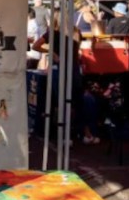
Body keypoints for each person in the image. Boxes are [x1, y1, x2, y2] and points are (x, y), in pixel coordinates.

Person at [32, 9, 99, 144]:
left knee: (62, 103)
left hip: (59, 70)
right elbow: (89, 45)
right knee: (77, 102)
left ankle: (65, 136)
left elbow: (35, 46)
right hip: (74, 69)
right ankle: (85, 134)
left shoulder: (53, 33)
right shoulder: (75, 32)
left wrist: (51, 51)